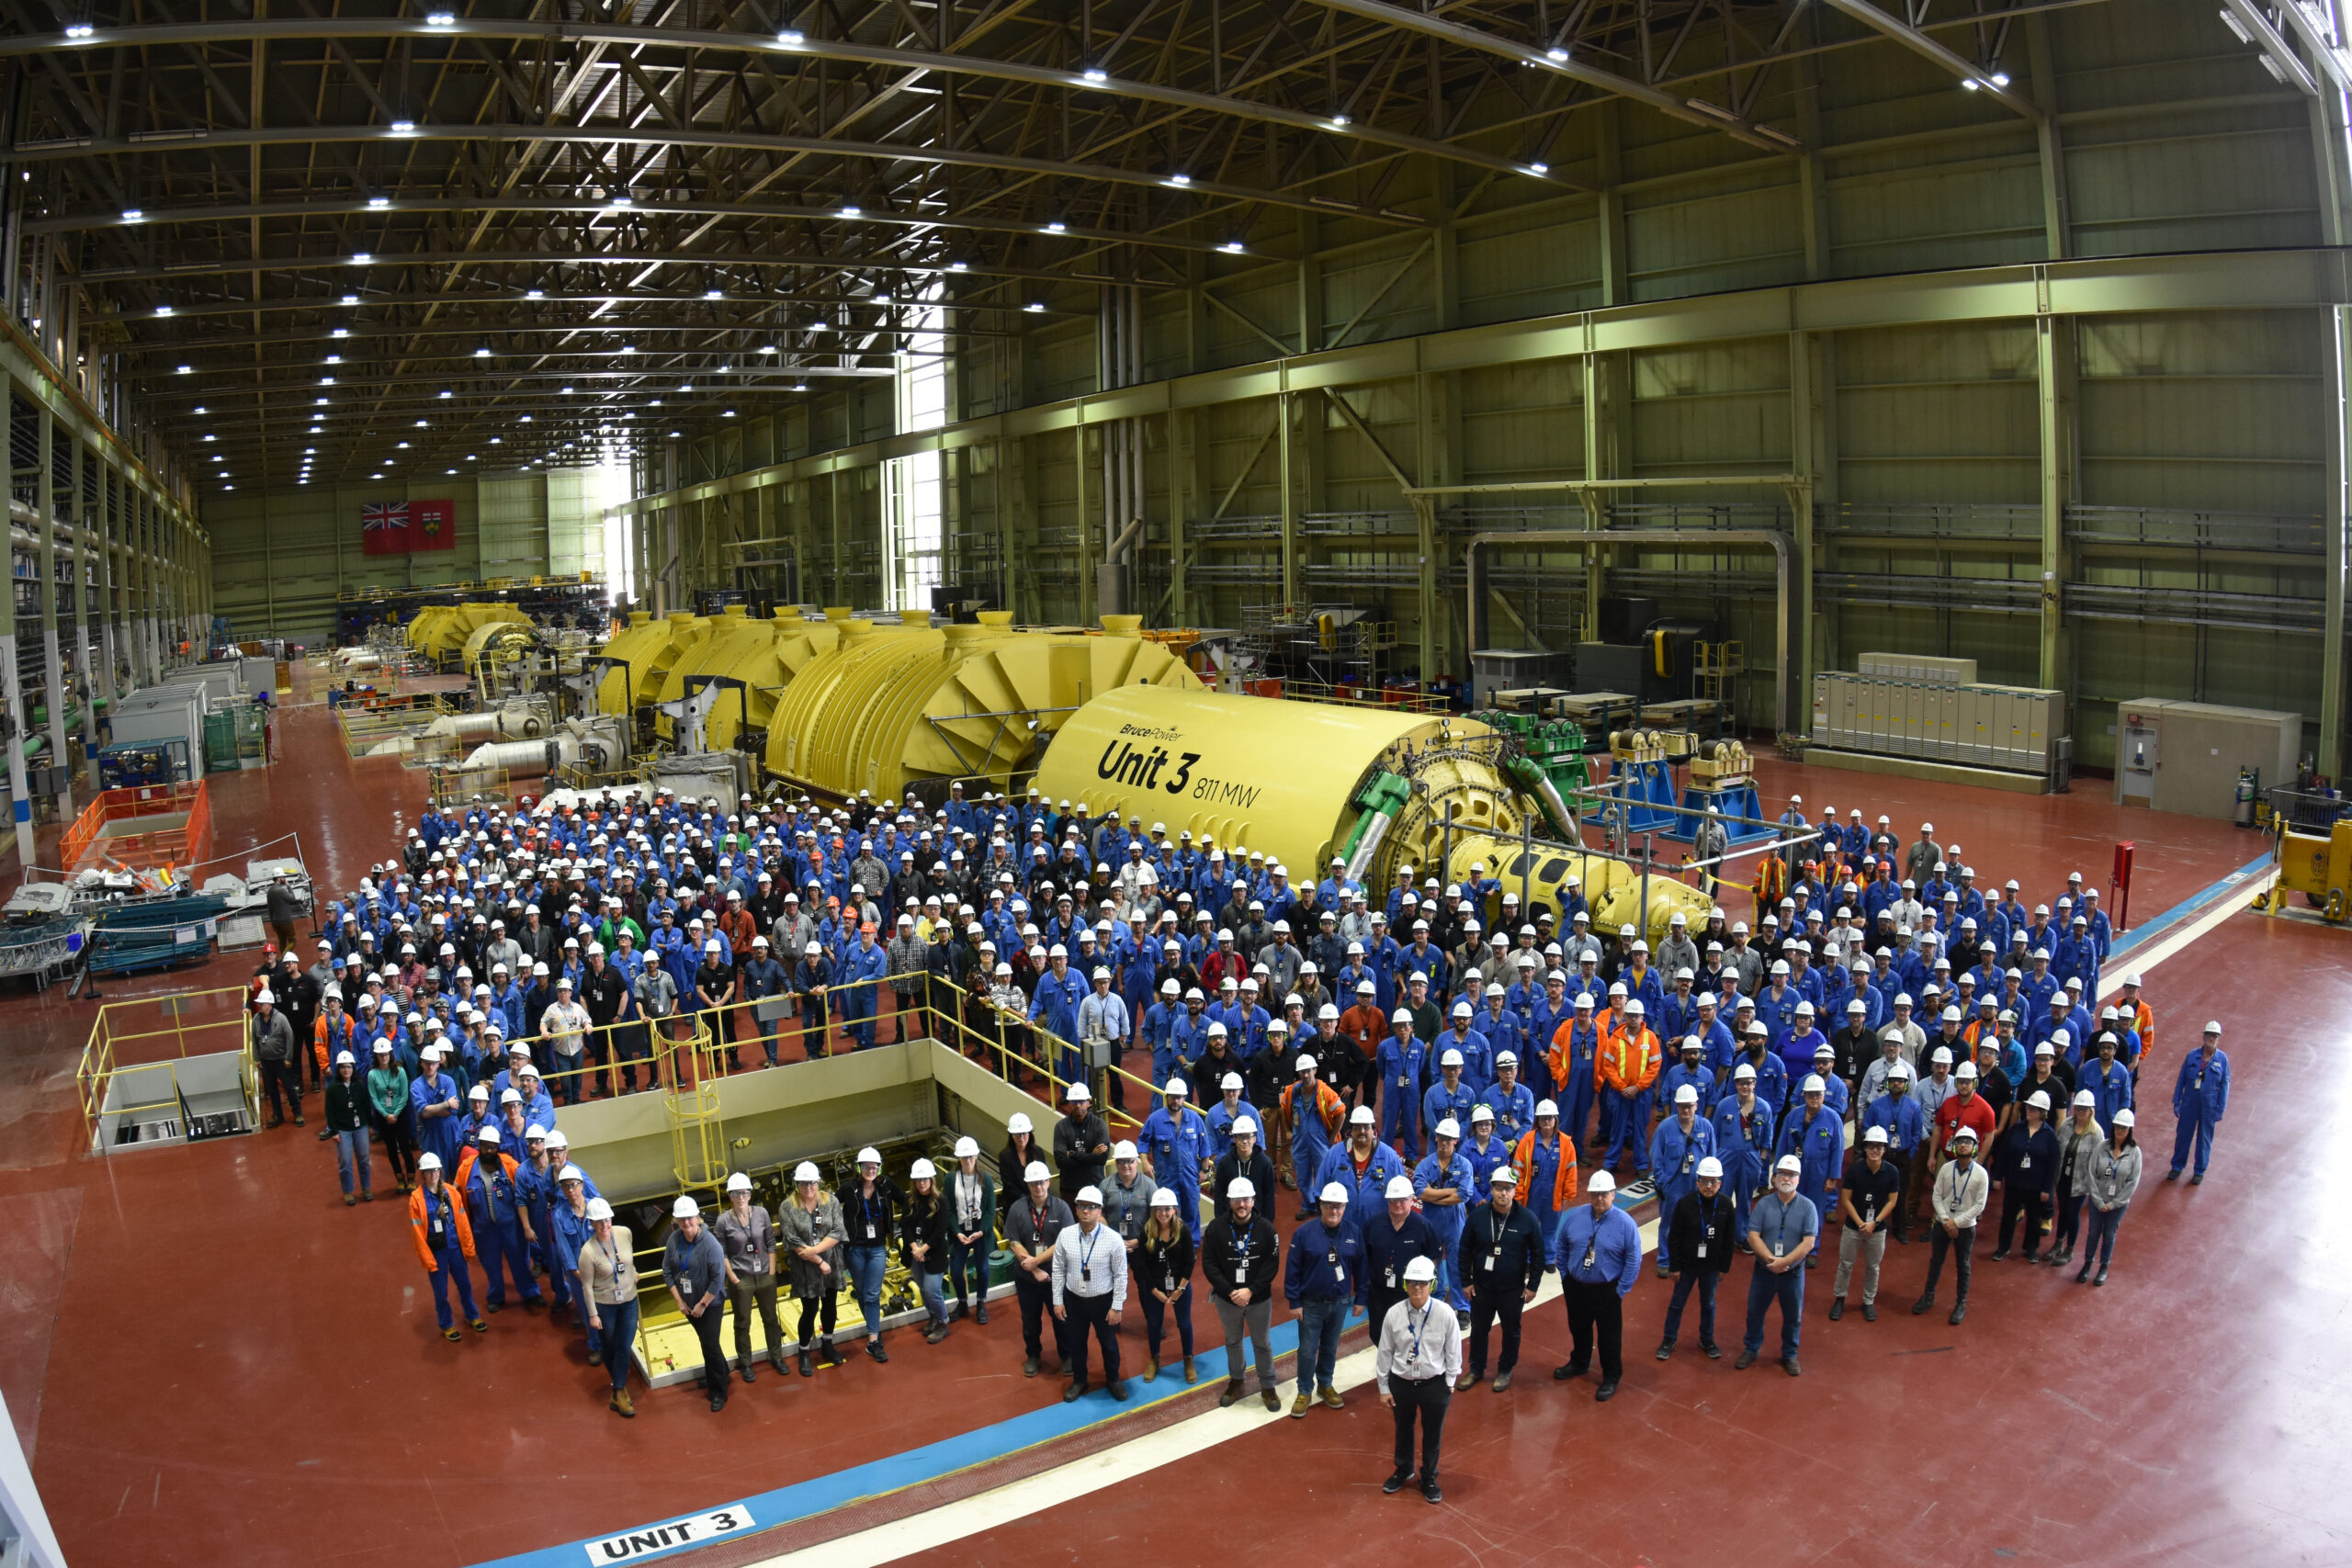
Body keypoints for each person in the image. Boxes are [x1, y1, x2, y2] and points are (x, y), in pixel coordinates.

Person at [1377, 1255, 1459, 1505]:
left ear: (1432, 1285)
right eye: (1412, 1282)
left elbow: (1453, 1350)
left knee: (1433, 1434)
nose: (1417, 1288)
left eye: (1422, 1283)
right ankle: (1404, 1470)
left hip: (1435, 1384)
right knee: (1403, 1429)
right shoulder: (1394, 1314)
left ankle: (1430, 1477)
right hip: (1401, 1384)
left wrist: (1450, 1382)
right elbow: (1385, 1352)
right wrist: (1383, 1387)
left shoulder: (1445, 1314)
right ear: (1405, 1284)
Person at [1554, 1168, 1642, 1401]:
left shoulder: (1625, 1224)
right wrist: (1565, 1276)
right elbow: (1561, 1246)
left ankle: (1611, 1376)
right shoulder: (1574, 1216)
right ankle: (1579, 1363)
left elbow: (1634, 1259)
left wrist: (1621, 1290)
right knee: (1578, 1328)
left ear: (1614, 1194)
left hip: (1607, 1289)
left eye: (1604, 1194)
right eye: (1595, 1194)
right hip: (1576, 1286)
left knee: (1609, 1336)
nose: (1599, 1199)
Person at [1458, 1166, 1544, 1391]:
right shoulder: (1477, 1217)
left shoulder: (1527, 1219)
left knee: (1511, 1331)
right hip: (1482, 1288)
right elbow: (1464, 1249)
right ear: (1491, 1189)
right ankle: (1476, 1369)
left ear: (1515, 1191)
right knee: (1478, 1330)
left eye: (1508, 1189)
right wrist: (1466, 1281)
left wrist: (1533, 1285)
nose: (1503, 1194)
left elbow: (1538, 1254)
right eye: (1498, 1188)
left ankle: (1505, 1369)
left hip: (1512, 1290)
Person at [1283, 1181, 1364, 1416]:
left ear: (1345, 1207)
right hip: (1310, 1304)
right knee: (1307, 1350)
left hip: (1339, 1303)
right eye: (1329, 1206)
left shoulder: (1353, 1233)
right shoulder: (1304, 1233)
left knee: (1330, 1347)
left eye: (1339, 1206)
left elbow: (1361, 1266)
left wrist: (1360, 1297)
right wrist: (1294, 1301)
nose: (1334, 1211)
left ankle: (1325, 1385)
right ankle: (1304, 1390)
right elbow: (1293, 1269)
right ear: (1321, 1206)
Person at [1203, 1177, 1281, 1410]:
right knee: (1233, 1341)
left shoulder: (1266, 1229)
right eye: (1237, 1200)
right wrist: (1230, 1291)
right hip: (1228, 1300)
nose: (1242, 1204)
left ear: (1253, 1200)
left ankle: (1268, 1385)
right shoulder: (1216, 1229)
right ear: (1229, 1201)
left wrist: (1251, 1290)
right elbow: (1209, 1264)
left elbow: (1271, 1265)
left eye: (1245, 1199)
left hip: (1258, 1299)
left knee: (1262, 1343)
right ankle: (1237, 1381)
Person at [1737, 1154, 1817, 1374]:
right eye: (1782, 1174)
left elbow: (1808, 1242)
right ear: (1774, 1178)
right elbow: (1753, 1235)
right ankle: (1751, 1348)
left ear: (1798, 1179)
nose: (1787, 1178)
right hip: (1764, 1271)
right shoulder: (1764, 1204)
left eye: (1792, 1175)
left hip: (1792, 1274)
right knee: (1754, 1312)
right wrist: (1770, 1261)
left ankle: (1789, 1354)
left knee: (1793, 1316)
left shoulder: (1808, 1208)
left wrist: (1785, 1263)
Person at [1051, 1186, 1129, 1401]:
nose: (1086, 1211)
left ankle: (1113, 1379)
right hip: (1074, 1300)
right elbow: (1058, 1269)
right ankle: (1080, 1380)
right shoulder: (1065, 1236)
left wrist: (1117, 1306)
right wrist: (1058, 1301)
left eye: (1091, 1207)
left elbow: (1121, 1275)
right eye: (1082, 1206)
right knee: (1076, 1343)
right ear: (1076, 1209)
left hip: (1103, 1301)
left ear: (1099, 1211)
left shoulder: (1113, 1240)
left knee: (1109, 1343)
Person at [1656, 1156, 1735, 1360]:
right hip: (1687, 1266)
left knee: (1708, 1303)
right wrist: (1674, 1266)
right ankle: (1668, 1339)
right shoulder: (1685, 1204)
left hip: (1711, 1267)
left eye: (1713, 1182)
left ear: (1720, 1183)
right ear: (1697, 1181)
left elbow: (1729, 1239)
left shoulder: (1726, 1206)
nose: (1709, 1186)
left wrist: (1724, 1267)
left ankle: (1707, 1339)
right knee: (1677, 1303)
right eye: (1705, 1181)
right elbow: (1674, 1237)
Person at [1913, 1124, 1987, 1325]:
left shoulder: (1981, 1174)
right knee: (1936, 1261)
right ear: (1954, 1146)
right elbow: (1937, 1196)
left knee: (1963, 1265)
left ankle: (1961, 1302)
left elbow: (1980, 1205)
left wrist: (1957, 1222)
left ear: (1974, 1147)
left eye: (1968, 1142)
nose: (1963, 1145)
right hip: (1942, 1224)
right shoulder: (1946, 1168)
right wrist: (1947, 1221)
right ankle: (1928, 1296)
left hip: (1966, 1227)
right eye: (1960, 1142)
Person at [716, 1171, 786, 1381]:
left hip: (765, 1274)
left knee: (771, 1318)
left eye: (744, 1193)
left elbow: (771, 1244)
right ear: (730, 1196)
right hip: (742, 1279)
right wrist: (734, 1279)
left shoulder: (761, 1214)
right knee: (742, 1322)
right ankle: (746, 1363)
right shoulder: (723, 1221)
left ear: (749, 1194)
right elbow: (722, 1254)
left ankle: (777, 1356)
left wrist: (772, 1272)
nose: (740, 1197)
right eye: (736, 1194)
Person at [663, 1195, 732, 1411]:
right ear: (676, 1221)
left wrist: (702, 1305)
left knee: (709, 1345)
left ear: (698, 1218)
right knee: (708, 1342)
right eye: (682, 1219)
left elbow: (717, 1279)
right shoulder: (674, 1239)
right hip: (688, 1305)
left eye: (690, 1218)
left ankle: (718, 1391)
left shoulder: (711, 1244)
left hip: (709, 1305)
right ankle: (722, 1372)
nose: (687, 1223)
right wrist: (680, 1302)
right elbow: (667, 1271)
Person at [1005, 1160, 1074, 1379]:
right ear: (1028, 1185)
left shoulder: (1061, 1208)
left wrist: (1036, 1261)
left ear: (1048, 1182)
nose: (1039, 1187)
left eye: (1042, 1182)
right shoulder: (1017, 1209)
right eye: (1034, 1183)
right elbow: (1014, 1242)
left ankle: (1067, 1355)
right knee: (1030, 1320)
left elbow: (1063, 1241)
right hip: (1027, 1279)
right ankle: (1033, 1355)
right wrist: (1034, 1270)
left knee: (1061, 1318)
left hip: (1056, 1277)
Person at [406, 1152, 484, 1341]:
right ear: (423, 1174)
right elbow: (418, 1234)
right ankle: (446, 1324)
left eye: (436, 1170)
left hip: (455, 1248)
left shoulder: (452, 1193)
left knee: (465, 1285)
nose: (433, 1174)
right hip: (436, 1253)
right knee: (441, 1292)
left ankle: (472, 1315)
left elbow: (463, 1221)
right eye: (429, 1171)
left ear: (440, 1171)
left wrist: (468, 1247)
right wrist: (428, 1259)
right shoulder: (417, 1200)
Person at [779, 1161, 847, 1374]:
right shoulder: (787, 1206)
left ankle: (828, 1344)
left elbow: (837, 1230)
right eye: (803, 1183)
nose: (809, 1187)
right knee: (809, 1310)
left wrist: (816, 1251)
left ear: (818, 1182)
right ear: (796, 1184)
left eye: (812, 1183)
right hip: (805, 1267)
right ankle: (804, 1351)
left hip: (831, 1263)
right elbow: (791, 1238)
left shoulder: (831, 1201)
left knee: (830, 1305)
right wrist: (817, 1259)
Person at [576, 1197, 641, 1416]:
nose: (605, 1225)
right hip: (606, 1307)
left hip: (630, 1301)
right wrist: (593, 1315)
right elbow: (586, 1287)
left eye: (607, 1220)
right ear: (592, 1224)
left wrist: (633, 1273)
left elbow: (627, 1260)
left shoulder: (624, 1233)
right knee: (610, 1347)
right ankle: (619, 1391)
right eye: (599, 1222)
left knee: (624, 1345)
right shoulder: (588, 1252)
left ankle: (618, 1390)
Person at [1828, 1126, 1900, 1322]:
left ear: (1885, 1149)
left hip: (1877, 1230)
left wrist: (1874, 1223)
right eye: (1871, 1146)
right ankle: (1840, 1298)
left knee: (1873, 1267)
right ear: (1865, 1148)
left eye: (1879, 1146)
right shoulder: (1855, 1170)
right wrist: (1861, 1223)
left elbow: (1892, 1201)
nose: (1875, 1150)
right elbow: (1845, 1200)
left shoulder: (1892, 1172)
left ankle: (1868, 1301)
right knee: (1845, 1264)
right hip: (1854, 1226)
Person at [841, 1146, 899, 1361]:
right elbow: (829, 1207)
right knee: (863, 1292)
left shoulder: (886, 1186)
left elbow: (906, 1200)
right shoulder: (848, 1188)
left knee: (873, 1294)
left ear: (879, 1168)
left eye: (874, 1167)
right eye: (866, 1167)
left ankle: (873, 1341)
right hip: (855, 1249)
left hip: (877, 1249)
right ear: (859, 1168)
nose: (870, 1170)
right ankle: (874, 1329)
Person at [1991, 1089, 2059, 1261]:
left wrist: (2046, 1189)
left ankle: (2031, 1248)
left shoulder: (2049, 1136)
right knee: (2008, 1216)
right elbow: (2004, 1153)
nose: (2029, 1110)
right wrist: (1998, 1177)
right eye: (2028, 1107)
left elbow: (2052, 1165)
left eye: (2033, 1109)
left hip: (2035, 1186)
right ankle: (2003, 1247)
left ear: (2043, 1113)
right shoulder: (2016, 1129)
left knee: (2034, 1219)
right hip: (2014, 1182)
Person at [1137, 1187, 1196, 1383]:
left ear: (1174, 1210)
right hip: (1155, 1286)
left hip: (1180, 1285)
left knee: (1185, 1324)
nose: (1163, 1213)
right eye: (1159, 1209)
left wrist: (1180, 1289)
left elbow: (1190, 1261)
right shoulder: (1146, 1232)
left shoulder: (1184, 1230)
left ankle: (1188, 1358)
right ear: (1154, 1211)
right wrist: (1154, 1290)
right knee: (1154, 1324)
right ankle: (1154, 1359)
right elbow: (1142, 1265)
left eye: (1167, 1208)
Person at [2077, 1107, 2141, 1284]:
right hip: (2097, 1201)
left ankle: (2104, 1266)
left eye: (2124, 1128)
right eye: (2117, 1127)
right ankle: (2087, 1263)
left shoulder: (2135, 1154)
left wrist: (2113, 1204)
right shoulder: (2101, 1147)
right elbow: (2091, 1173)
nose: (2120, 1131)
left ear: (2130, 1130)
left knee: (2109, 1234)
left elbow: (2132, 1183)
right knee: (2093, 1232)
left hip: (2117, 1205)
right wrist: (2097, 1200)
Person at [2046, 1091, 2104, 1271]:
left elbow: (2098, 1163)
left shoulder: (2096, 1134)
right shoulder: (2066, 1125)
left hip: (2081, 1183)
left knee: (2072, 1213)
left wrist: (2092, 1186)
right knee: (2063, 1211)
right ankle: (2058, 1243)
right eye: (2078, 1107)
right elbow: (2058, 1149)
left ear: (2091, 1111)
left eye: (2084, 1109)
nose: (2080, 1111)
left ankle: (2069, 1248)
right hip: (2063, 1178)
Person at [2168, 1021, 2228, 1184]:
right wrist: (2177, 1101)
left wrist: (2221, 1108)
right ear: (2203, 1036)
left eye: (2215, 1036)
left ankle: (2199, 1170)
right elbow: (2181, 1079)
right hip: (2190, 1102)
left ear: (2218, 1038)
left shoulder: (2222, 1059)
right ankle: (2177, 1166)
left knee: (2205, 1138)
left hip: (2209, 1105)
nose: (2211, 1038)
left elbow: (2225, 1085)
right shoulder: (2192, 1056)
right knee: (2183, 1135)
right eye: (2209, 1035)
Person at [944, 1137, 996, 1324]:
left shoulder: (986, 1179)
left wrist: (982, 1231)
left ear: (976, 1156)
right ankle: (963, 1302)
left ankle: (981, 1302)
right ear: (959, 1158)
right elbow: (949, 1208)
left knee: (982, 1268)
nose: (968, 1161)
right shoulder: (950, 1179)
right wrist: (957, 1232)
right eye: (964, 1157)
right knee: (956, 1270)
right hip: (960, 1229)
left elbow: (990, 1210)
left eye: (971, 1157)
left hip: (980, 1229)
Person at [903, 1157, 953, 1342]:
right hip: (916, 1253)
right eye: (919, 1180)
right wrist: (915, 1248)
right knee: (923, 1290)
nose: (922, 1183)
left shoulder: (941, 1201)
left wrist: (923, 1249)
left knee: (933, 1291)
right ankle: (932, 1315)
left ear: (931, 1180)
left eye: (925, 1179)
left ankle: (943, 1322)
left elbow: (941, 1230)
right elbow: (905, 1226)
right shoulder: (910, 1201)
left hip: (934, 1253)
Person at [366, 1040, 418, 1193]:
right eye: (380, 1055)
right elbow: (374, 1097)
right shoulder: (372, 1074)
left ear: (390, 1054)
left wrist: (395, 1113)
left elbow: (404, 1094)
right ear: (376, 1056)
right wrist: (385, 1114)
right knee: (391, 1150)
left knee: (405, 1147)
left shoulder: (400, 1071)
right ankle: (400, 1180)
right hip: (384, 1117)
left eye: (386, 1054)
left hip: (400, 1115)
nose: (384, 1057)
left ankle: (411, 1178)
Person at [323, 1050, 373, 1204]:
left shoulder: (359, 1085)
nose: (347, 1070)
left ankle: (366, 1188)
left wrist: (370, 1125)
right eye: (343, 1067)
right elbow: (329, 1110)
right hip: (342, 1129)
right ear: (339, 1069)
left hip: (361, 1128)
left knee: (364, 1159)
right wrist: (333, 1131)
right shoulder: (333, 1088)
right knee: (345, 1161)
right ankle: (348, 1191)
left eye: (349, 1067)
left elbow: (366, 1105)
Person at [252, 988, 302, 1128]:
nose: (259, 1006)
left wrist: (288, 1058)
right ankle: (277, 1115)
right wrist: (257, 1058)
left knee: (289, 1087)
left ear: (269, 1005)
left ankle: (297, 1113)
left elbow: (289, 1037)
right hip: (266, 1062)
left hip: (281, 1060)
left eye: (262, 1004)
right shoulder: (256, 1020)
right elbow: (254, 1040)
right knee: (272, 1090)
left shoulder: (281, 1019)